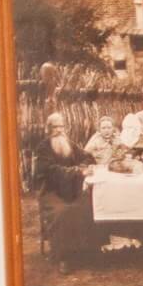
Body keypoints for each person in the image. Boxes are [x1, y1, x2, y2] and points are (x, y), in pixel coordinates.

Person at [35, 113, 94, 268]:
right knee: (63, 212)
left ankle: (84, 252)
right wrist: (76, 171)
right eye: (55, 127)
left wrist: (84, 166)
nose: (59, 130)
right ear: (48, 128)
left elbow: (87, 157)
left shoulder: (70, 144)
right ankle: (63, 257)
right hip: (51, 192)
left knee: (89, 206)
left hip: (72, 190)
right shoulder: (43, 148)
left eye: (62, 126)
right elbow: (50, 171)